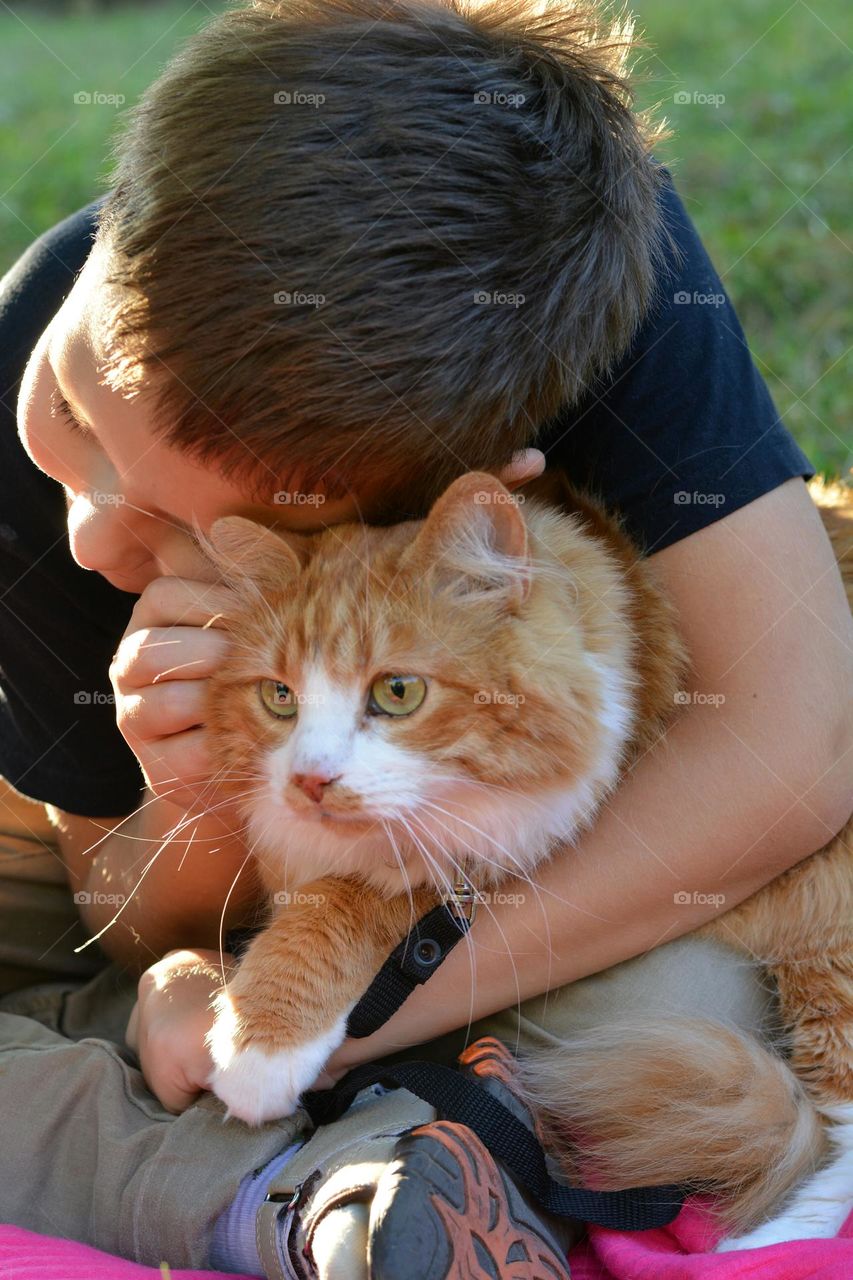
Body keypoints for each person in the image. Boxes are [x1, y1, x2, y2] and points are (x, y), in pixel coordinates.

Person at [0, 0, 850, 1276]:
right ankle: (356, 1174)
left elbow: (800, 738)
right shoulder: (29, 338)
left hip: (487, 848)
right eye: (74, 411)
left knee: (681, 1012)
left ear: (463, 480)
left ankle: (376, 1136)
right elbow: (119, 902)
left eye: (188, 526)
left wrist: (339, 1008)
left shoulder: (589, 284)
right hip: (178, 856)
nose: (92, 542)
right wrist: (197, 794)